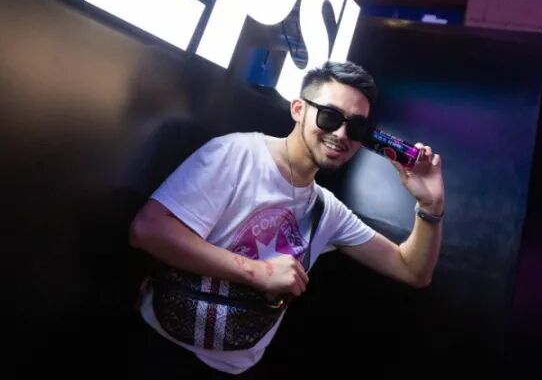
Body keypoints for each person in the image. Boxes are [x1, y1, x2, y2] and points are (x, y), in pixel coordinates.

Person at [128, 60, 445, 376]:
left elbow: (412, 270)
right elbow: (147, 229)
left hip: (237, 367)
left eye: (356, 127)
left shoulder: (327, 209)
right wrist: (258, 271)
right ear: (298, 109)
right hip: (164, 350)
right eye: (329, 116)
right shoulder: (239, 154)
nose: (341, 134)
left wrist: (430, 205)